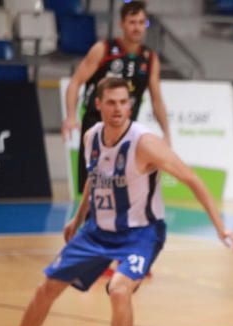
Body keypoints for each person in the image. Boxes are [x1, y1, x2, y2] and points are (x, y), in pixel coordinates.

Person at [0, 78, 233, 326]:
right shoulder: (91, 137)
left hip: (140, 234)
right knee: (46, 287)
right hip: (96, 231)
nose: (118, 109)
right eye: (112, 102)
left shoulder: (145, 143)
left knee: (119, 290)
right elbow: (95, 178)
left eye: (124, 103)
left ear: (130, 107)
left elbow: (192, 179)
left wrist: (221, 228)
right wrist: (78, 217)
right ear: (99, 105)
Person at [61, 1, 169, 196]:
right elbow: (75, 82)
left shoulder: (150, 58)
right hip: (96, 126)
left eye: (141, 22)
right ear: (121, 24)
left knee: (122, 192)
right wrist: (70, 116)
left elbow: (157, 100)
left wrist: (166, 133)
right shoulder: (103, 49)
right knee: (92, 191)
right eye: (132, 22)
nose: (137, 27)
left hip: (127, 132)